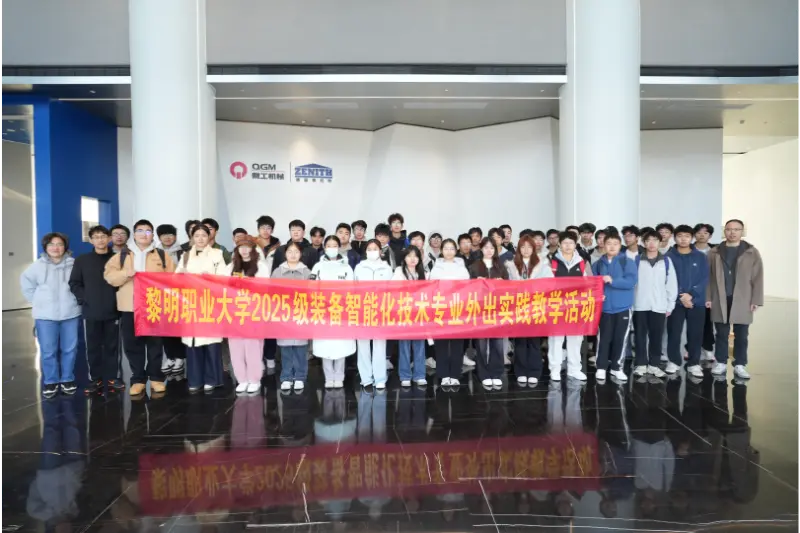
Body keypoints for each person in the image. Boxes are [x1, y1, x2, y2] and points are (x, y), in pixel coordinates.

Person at [104, 219, 175, 396]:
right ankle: (138, 379)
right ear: (134, 235)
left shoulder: (161, 255)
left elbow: (173, 279)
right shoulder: (122, 255)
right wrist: (125, 273)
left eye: (148, 231)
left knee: (155, 344)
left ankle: (156, 378)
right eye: (140, 231)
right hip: (130, 307)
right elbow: (110, 277)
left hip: (154, 305)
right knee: (132, 344)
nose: (144, 234)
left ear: (152, 235)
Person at [21, 232, 82, 398]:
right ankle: (51, 381)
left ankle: (67, 379)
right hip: (45, 316)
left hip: (70, 313)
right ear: (46, 247)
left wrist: (77, 301)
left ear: (65, 247)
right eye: (51, 244)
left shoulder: (74, 264)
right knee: (48, 351)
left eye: (59, 244)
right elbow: (27, 285)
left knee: (70, 349)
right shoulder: (37, 266)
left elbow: (81, 284)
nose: (56, 248)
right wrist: (38, 301)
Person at [706, 219, 763, 380]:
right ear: (724, 231)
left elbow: (758, 277)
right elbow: (708, 277)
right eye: (729, 229)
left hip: (743, 298)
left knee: (742, 334)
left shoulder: (751, 252)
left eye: (736, 229)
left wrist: (756, 299)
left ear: (742, 232)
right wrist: (708, 297)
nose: (732, 232)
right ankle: (721, 362)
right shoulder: (714, 252)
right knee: (721, 333)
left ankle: (740, 364)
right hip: (720, 297)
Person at [68, 225, 121, 394]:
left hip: (114, 310)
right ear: (91, 240)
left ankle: (113, 377)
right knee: (92, 347)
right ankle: (95, 378)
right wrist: (86, 298)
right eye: (96, 237)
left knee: (113, 346)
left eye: (103, 236)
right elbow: (74, 283)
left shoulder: (118, 258)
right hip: (91, 311)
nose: (100, 240)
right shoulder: (82, 260)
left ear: (109, 239)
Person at [175, 224, 227, 393]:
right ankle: (195, 379)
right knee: (192, 343)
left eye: (203, 235)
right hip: (190, 304)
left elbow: (224, 278)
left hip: (210, 303)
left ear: (209, 236)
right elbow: (176, 279)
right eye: (196, 235)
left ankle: (212, 379)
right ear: (192, 237)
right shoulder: (185, 256)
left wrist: (210, 278)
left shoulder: (217, 254)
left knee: (210, 342)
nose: (200, 239)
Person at [505, 235, 553, 385]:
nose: (526, 250)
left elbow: (550, 283)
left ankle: (534, 371)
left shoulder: (542, 264)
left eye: (529, 247)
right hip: (518, 307)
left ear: (534, 248)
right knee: (520, 340)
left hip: (536, 306)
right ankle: (520, 371)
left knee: (534, 341)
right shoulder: (511, 265)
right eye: (523, 247)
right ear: (519, 249)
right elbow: (506, 286)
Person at [311, 235, 356, 388]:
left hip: (341, 311)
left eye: (334, 246)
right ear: (324, 248)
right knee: (325, 345)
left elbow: (352, 289)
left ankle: (339, 377)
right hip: (323, 311)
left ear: (339, 247)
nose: (331, 248)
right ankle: (329, 377)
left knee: (340, 345)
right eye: (329, 246)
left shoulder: (346, 267)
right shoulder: (318, 267)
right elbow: (312, 288)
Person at [225, 236, 269, 394]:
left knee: (253, 346)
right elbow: (223, 287)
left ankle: (254, 379)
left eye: (247, 247)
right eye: (240, 247)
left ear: (252, 248)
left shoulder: (260, 266)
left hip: (254, 311)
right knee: (235, 347)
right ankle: (242, 379)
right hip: (234, 312)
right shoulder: (231, 267)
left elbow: (265, 288)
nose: (244, 250)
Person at [592, 233, 638, 382]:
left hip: (623, 307)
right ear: (603, 245)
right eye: (609, 243)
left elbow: (631, 282)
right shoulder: (598, 264)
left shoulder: (627, 262)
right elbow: (592, 285)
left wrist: (613, 280)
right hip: (604, 308)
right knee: (603, 339)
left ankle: (617, 368)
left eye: (615, 244)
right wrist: (598, 295)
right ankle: (601, 367)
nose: (612, 246)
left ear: (620, 245)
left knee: (620, 338)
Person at [632, 230, 678, 378]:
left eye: (655, 240)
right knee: (640, 336)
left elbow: (671, 284)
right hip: (640, 304)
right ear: (643, 243)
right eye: (648, 240)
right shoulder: (637, 260)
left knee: (656, 337)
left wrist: (670, 305)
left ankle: (654, 365)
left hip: (659, 305)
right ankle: (640, 364)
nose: (651, 243)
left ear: (660, 242)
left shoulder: (666, 261)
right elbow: (632, 284)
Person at [665, 225, 709, 378]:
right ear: (674, 238)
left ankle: (694, 363)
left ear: (692, 238)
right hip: (676, 303)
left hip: (696, 302)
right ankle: (673, 361)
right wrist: (681, 296)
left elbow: (705, 278)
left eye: (687, 236)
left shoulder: (701, 257)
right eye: (680, 236)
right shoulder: (668, 256)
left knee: (696, 333)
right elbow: (667, 279)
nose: (683, 239)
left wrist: (691, 295)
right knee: (674, 333)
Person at [547, 231, 591, 382]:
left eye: (571, 243)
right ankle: (555, 369)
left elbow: (588, 283)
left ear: (575, 245)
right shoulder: (552, 262)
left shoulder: (581, 262)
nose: (568, 246)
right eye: (565, 243)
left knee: (575, 339)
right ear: (559, 244)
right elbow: (545, 284)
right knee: (556, 339)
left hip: (575, 306)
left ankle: (574, 369)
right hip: (557, 306)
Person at [271, 241, 313, 391]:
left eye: (296, 252)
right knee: (286, 349)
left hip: (301, 314)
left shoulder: (307, 272)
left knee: (301, 349)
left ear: (300, 254)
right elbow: (271, 293)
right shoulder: (277, 272)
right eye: (290, 252)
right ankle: (286, 377)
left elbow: (313, 293)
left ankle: (300, 376)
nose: (293, 255)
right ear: (285, 254)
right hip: (284, 315)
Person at [468, 238, 509, 389]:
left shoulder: (501, 266)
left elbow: (509, 288)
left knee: (497, 343)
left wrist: (502, 283)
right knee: (482, 344)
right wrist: (476, 282)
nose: (489, 250)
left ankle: (496, 373)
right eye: (486, 247)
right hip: (480, 310)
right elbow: (467, 289)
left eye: (492, 248)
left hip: (497, 310)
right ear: (481, 249)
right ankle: (483, 373)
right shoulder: (474, 267)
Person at [429, 239, 470, 387]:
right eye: (446, 248)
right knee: (441, 343)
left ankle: (455, 374)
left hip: (457, 309)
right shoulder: (436, 267)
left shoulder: (462, 267)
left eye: (452, 248)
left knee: (457, 344)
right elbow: (432, 288)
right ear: (441, 250)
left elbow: (467, 287)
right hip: (441, 308)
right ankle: (444, 374)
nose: (449, 251)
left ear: (456, 250)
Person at [354, 239, 393, 391]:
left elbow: (392, 290)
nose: (372, 251)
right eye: (369, 249)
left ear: (380, 251)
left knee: (379, 345)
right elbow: (353, 289)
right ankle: (366, 378)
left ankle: (380, 378)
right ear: (365, 252)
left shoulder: (387, 268)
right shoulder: (359, 268)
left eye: (375, 248)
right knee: (363, 345)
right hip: (362, 309)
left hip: (381, 310)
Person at [392, 246, 429, 387]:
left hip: (420, 313)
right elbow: (393, 291)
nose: (412, 259)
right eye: (409, 256)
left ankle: (420, 374)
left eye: (415, 256)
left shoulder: (425, 273)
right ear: (404, 258)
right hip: (404, 313)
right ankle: (405, 375)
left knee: (419, 346)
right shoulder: (399, 272)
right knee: (404, 346)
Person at [256, 215, 280, 369]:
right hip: (255, 292)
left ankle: (270, 356)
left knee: (271, 325)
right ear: (258, 229)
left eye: (269, 228)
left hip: (273, 291)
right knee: (257, 325)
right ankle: (258, 357)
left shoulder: (278, 246)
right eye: (263, 227)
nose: (265, 230)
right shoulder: (251, 245)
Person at [693, 223, 716, 359]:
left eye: (705, 233)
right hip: (690, 290)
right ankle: (690, 348)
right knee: (692, 322)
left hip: (708, 290)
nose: (702, 235)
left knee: (708, 321)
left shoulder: (715, 250)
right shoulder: (688, 249)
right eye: (699, 232)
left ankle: (707, 347)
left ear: (710, 236)